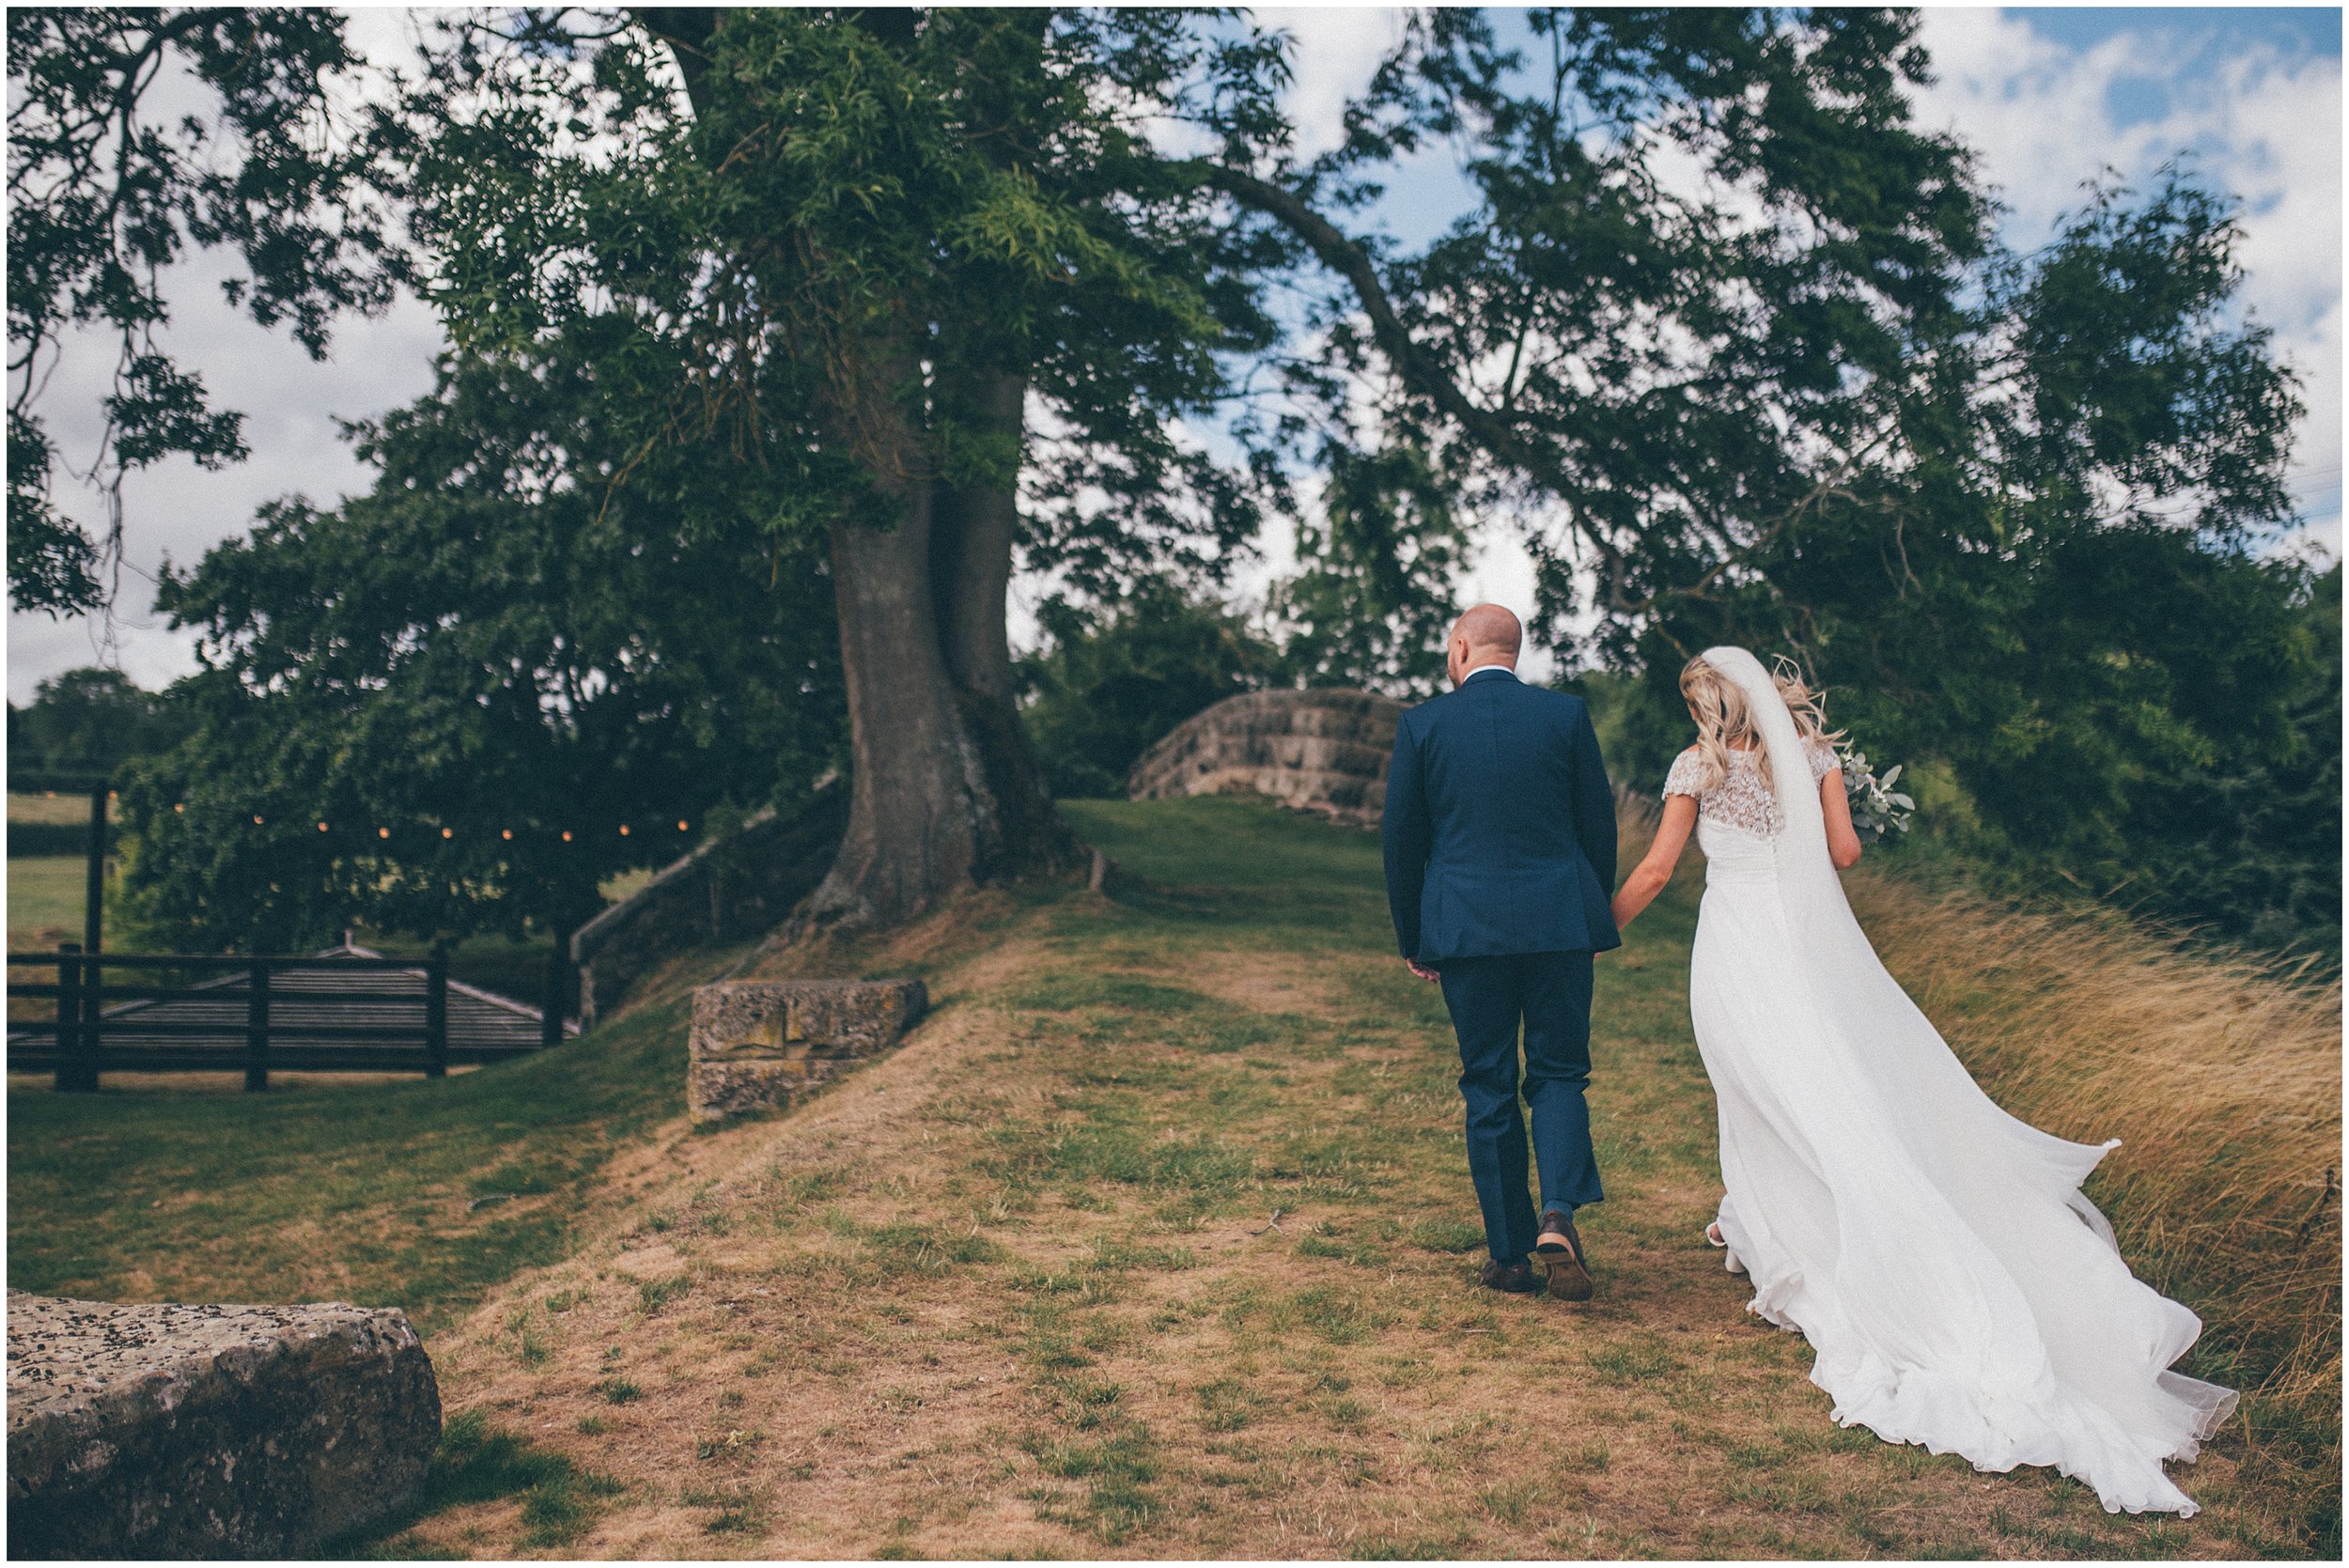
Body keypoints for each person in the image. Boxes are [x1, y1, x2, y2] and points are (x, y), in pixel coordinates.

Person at [1609, 644, 2237, 1515]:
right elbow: (1845, 852)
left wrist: (1597, 930)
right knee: (1823, 1090)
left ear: (1707, 704)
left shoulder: (1696, 765)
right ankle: (1759, 1226)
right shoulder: (1817, 757)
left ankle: (1806, 1240)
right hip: (1803, 947)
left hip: (1736, 951)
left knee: (1760, 1091)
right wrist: (1813, 799)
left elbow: (1654, 869)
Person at [1380, 604, 1620, 1300]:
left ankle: (1509, 1258)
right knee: (1560, 1071)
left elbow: (1403, 843)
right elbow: (1596, 827)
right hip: (1558, 923)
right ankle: (1558, 1213)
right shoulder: (1566, 717)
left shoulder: (1423, 725)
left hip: (1466, 930)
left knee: (1488, 1082)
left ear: (1460, 649)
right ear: (1515, 651)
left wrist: (1413, 937)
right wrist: (1586, 914)